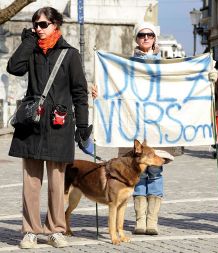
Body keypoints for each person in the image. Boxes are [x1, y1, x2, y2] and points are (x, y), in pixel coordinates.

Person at [7, 7, 90, 249]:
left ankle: (55, 229)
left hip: (58, 125)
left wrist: (83, 124)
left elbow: (80, 92)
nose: (38, 29)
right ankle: (30, 231)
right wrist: (27, 42)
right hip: (31, 125)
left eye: (42, 25)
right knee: (31, 183)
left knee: (57, 182)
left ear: (56, 25)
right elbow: (13, 68)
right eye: (35, 25)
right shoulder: (31, 50)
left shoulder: (70, 54)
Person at [92, 22, 172, 236]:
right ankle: (139, 219)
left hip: (156, 125)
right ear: (137, 39)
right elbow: (113, 87)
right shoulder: (125, 65)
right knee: (136, 172)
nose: (146, 38)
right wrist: (98, 91)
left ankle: (152, 220)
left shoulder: (165, 65)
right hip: (133, 125)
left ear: (155, 38)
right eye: (142, 35)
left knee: (155, 171)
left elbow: (176, 87)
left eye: (150, 35)